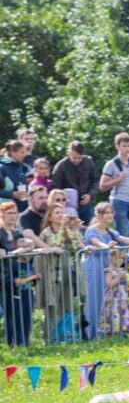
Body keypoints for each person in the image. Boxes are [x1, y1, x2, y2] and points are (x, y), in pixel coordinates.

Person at [82, 202, 129, 340]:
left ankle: (107, 329)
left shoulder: (110, 232)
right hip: (95, 267)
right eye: (106, 212)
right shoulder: (91, 231)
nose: (110, 215)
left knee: (107, 301)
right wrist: (107, 246)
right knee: (95, 300)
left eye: (111, 212)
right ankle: (92, 332)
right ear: (99, 215)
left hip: (107, 266)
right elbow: (96, 242)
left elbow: (125, 239)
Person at [38, 203, 84, 342]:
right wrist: (63, 228)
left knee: (67, 306)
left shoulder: (68, 231)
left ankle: (64, 336)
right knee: (52, 308)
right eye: (57, 213)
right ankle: (48, 338)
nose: (60, 215)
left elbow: (76, 247)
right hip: (52, 275)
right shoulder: (47, 232)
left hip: (67, 275)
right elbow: (55, 246)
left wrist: (74, 229)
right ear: (50, 217)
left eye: (61, 212)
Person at [1, 202, 39, 346]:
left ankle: (24, 341)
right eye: (9, 213)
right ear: (2, 214)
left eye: (15, 213)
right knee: (11, 312)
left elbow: (26, 249)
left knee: (25, 310)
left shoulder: (18, 233)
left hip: (21, 274)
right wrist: (14, 253)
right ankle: (12, 343)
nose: (13, 216)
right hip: (5, 277)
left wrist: (33, 251)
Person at [100, 132, 129, 237]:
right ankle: (122, 253)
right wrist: (118, 179)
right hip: (119, 201)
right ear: (117, 146)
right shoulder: (111, 164)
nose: (127, 149)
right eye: (124, 146)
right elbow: (102, 186)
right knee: (122, 233)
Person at [51, 141, 100, 224]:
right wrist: (61, 201)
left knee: (90, 228)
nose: (77, 160)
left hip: (85, 204)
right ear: (68, 153)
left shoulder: (89, 163)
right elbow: (55, 187)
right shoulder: (61, 166)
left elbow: (96, 180)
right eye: (74, 158)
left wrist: (90, 195)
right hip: (67, 206)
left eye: (80, 158)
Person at [99, 249, 129, 336]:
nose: (121, 260)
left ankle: (123, 330)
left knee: (122, 313)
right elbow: (109, 284)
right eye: (118, 258)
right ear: (111, 257)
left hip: (122, 298)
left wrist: (126, 279)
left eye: (122, 258)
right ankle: (111, 331)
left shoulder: (122, 270)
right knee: (113, 313)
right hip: (112, 298)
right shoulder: (109, 271)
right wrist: (119, 277)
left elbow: (127, 285)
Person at [0, 140, 31, 212]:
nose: (25, 154)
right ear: (13, 153)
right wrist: (12, 194)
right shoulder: (2, 168)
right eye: (22, 152)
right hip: (6, 210)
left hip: (21, 208)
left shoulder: (21, 166)